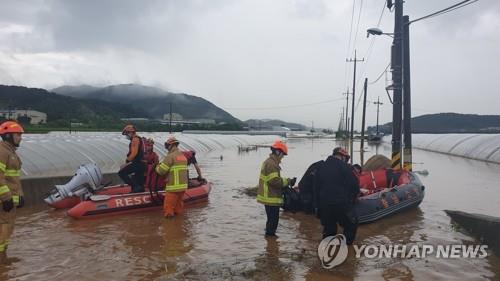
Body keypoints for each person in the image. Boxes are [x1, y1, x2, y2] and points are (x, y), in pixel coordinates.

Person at [314, 147, 360, 244]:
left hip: (324, 204)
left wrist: (318, 205)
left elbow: (315, 187)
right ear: (342, 156)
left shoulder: (321, 166)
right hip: (340, 203)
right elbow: (354, 186)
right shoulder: (345, 167)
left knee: (329, 229)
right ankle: (346, 250)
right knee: (351, 224)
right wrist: (352, 200)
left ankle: (326, 252)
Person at [256, 140, 296, 238]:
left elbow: (273, 180)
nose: (283, 157)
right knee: (273, 220)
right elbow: (274, 181)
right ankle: (271, 242)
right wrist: (288, 181)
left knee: (271, 220)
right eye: (283, 154)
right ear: (278, 152)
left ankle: (269, 240)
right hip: (270, 197)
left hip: (269, 196)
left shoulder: (270, 162)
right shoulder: (271, 164)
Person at [0, 121, 25, 264]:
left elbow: (14, 178)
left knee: (7, 229)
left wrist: (20, 195)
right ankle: (1, 262)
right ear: (8, 136)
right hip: (4, 202)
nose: (20, 138)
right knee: (3, 229)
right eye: (18, 135)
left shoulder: (11, 153)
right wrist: (6, 197)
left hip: (10, 202)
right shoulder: (2, 152)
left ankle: (3, 259)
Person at [155, 137, 188, 218]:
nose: (166, 148)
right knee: (178, 208)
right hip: (183, 187)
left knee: (168, 210)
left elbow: (161, 171)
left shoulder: (170, 156)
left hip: (173, 187)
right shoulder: (183, 156)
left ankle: (170, 228)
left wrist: (156, 166)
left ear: (171, 145)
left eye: (167, 145)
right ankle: (179, 226)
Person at [118, 124, 146, 193]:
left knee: (121, 172)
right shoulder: (139, 139)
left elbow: (134, 153)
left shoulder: (135, 139)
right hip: (142, 164)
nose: (126, 136)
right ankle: (139, 189)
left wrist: (127, 161)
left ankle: (136, 187)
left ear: (131, 132)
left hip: (138, 163)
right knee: (138, 179)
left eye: (127, 134)